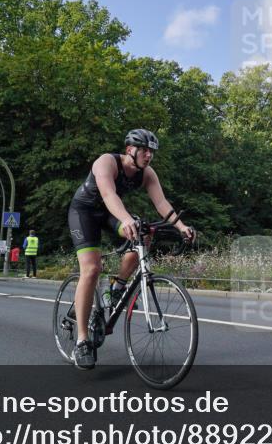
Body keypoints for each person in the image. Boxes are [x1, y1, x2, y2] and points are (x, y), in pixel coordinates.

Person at [66, 129, 195, 370]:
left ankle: (118, 287)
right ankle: (82, 341)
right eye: (144, 150)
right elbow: (107, 193)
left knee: (143, 235)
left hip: (109, 213)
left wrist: (181, 226)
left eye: (151, 152)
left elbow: (161, 203)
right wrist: (126, 219)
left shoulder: (147, 174)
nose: (149, 156)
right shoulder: (107, 162)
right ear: (129, 150)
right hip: (84, 212)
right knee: (92, 270)